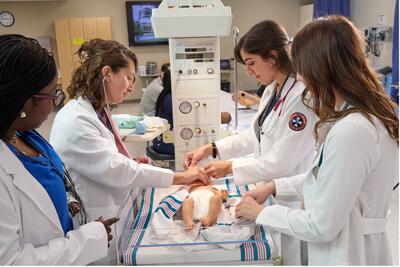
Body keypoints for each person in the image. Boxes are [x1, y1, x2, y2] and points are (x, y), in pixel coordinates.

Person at [235, 15, 399, 265]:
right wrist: (275, 187)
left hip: (348, 254)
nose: (300, 78)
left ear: (320, 68)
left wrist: (262, 213)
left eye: (301, 69)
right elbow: (331, 177)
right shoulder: (358, 118)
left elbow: (322, 225)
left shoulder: (352, 131)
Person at [49, 39, 210, 263]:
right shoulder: (76, 120)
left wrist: (132, 160)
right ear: (107, 73)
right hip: (97, 220)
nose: (131, 86)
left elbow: (105, 160)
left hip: (115, 210)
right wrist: (180, 176)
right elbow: (115, 169)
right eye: (128, 77)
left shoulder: (98, 111)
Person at [184, 20, 317, 265]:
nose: (249, 71)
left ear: (273, 57)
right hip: (266, 190)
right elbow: (255, 135)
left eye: (251, 63)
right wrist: (213, 149)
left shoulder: (301, 98)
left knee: (289, 256)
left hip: (289, 197)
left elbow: (280, 163)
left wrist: (229, 167)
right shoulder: (272, 90)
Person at [0, 34, 118, 265]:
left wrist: (72, 206)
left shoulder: (25, 135)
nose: (55, 101)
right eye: (53, 94)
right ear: (25, 102)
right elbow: (10, 262)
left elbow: (52, 185)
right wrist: (87, 239)